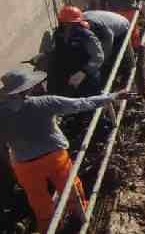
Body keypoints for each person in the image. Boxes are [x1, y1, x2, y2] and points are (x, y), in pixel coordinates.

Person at [0, 68, 129, 232]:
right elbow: (82, 103)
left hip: (25, 166)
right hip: (55, 158)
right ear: (26, 89)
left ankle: (49, 228)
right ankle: (80, 219)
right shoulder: (45, 102)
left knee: (39, 203)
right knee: (72, 189)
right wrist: (113, 96)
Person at [48, 6, 105, 98]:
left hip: (86, 77)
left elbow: (98, 57)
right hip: (67, 75)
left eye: (72, 24)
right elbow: (57, 51)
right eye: (66, 23)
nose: (69, 26)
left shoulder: (87, 36)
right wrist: (45, 56)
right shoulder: (58, 34)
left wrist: (83, 72)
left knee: (88, 102)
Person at [83, 10, 133, 81]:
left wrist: (103, 59)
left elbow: (109, 41)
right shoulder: (80, 21)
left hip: (122, 26)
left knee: (116, 55)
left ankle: (126, 75)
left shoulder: (102, 28)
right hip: (109, 21)